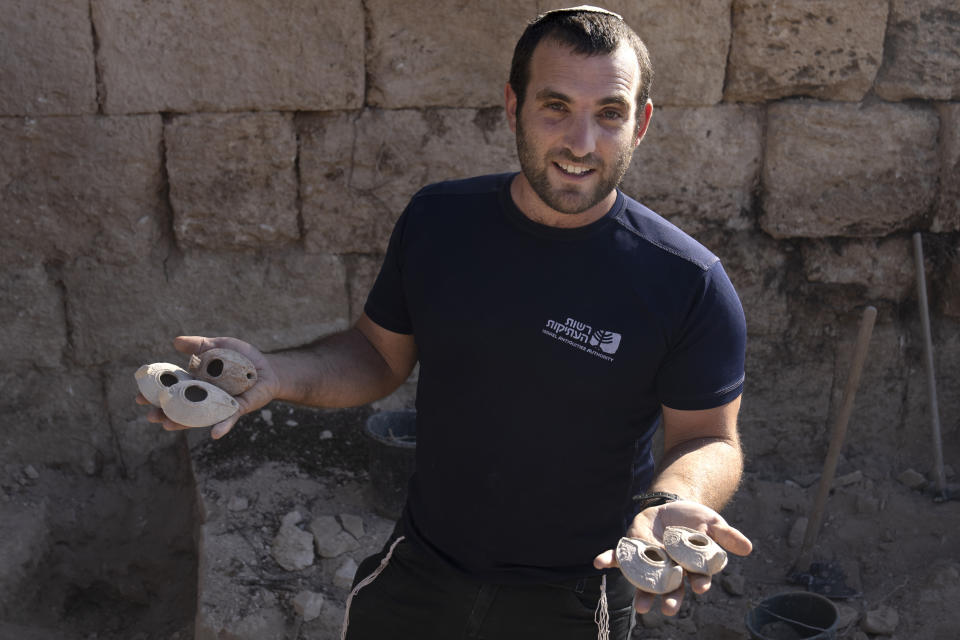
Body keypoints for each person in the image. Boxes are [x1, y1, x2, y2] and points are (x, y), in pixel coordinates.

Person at [139, 6, 753, 639]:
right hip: (420, 571)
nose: (581, 142)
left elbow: (709, 435)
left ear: (641, 123)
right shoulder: (440, 223)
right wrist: (275, 373)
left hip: (572, 595)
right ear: (512, 106)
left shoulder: (686, 281)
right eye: (555, 106)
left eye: (609, 113)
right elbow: (378, 355)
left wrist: (671, 501)